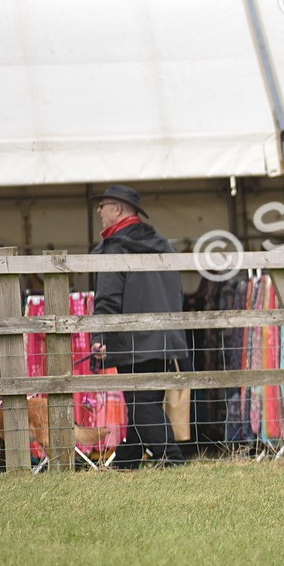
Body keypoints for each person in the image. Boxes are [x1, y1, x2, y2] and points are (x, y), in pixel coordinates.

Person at [89, 185, 189, 468]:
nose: (99, 211)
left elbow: (107, 299)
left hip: (132, 339)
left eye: (103, 205)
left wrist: (100, 337)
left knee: (142, 403)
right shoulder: (162, 244)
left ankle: (173, 460)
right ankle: (128, 459)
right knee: (144, 401)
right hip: (165, 338)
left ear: (117, 209)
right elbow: (177, 293)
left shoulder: (115, 248)